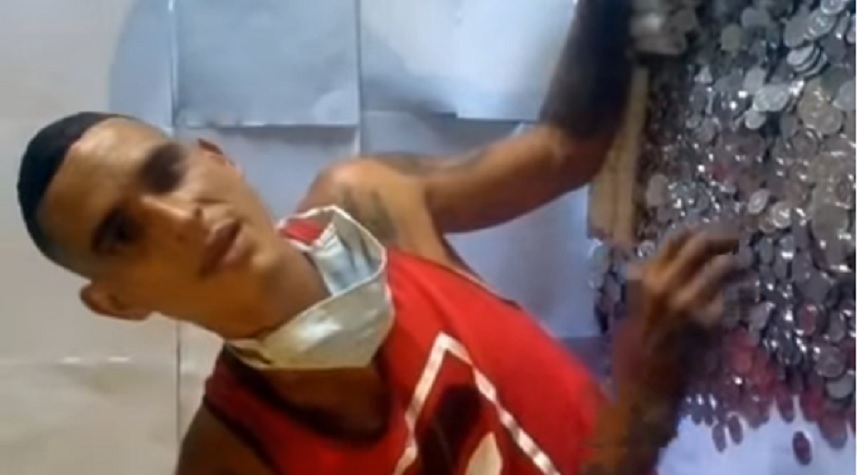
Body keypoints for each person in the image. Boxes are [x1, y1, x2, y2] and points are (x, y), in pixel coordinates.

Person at [16, 1, 738, 474]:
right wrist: (643, 400)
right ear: (118, 302)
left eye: (167, 173)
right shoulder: (232, 460)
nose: (182, 220)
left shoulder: (365, 202)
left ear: (215, 159)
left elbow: (560, 149)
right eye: (124, 234)